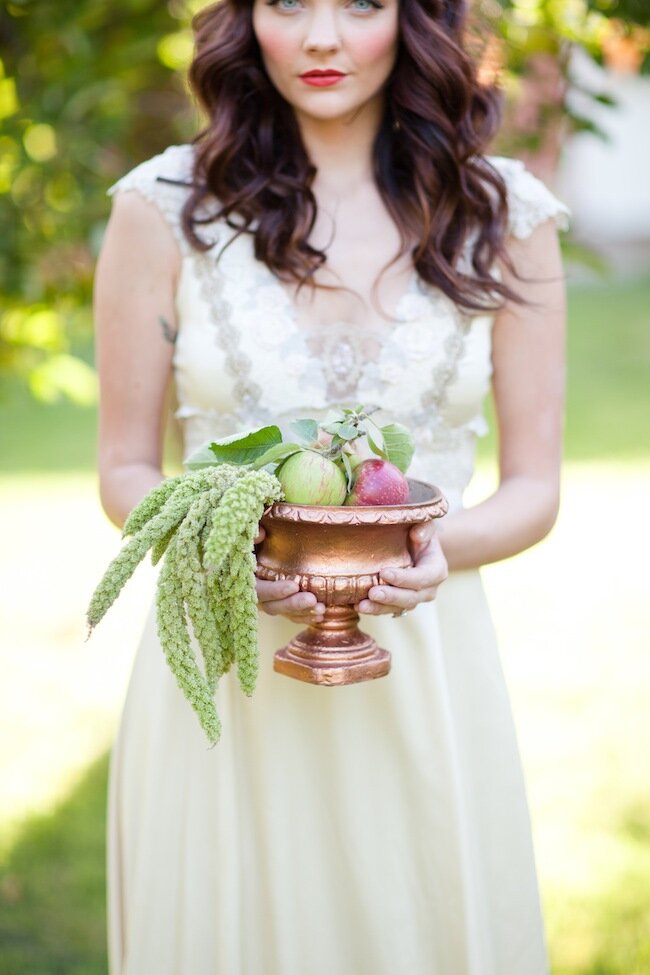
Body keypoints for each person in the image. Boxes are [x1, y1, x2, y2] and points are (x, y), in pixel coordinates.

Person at [94, 0, 569, 970]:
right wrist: (220, 544)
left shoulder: (503, 215)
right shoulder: (160, 209)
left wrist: (431, 553)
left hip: (424, 659)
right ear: (243, 19)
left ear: (414, 20)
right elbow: (124, 469)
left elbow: (533, 487)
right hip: (223, 664)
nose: (319, 37)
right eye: (285, 2)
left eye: (359, 3)